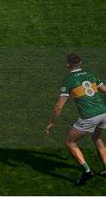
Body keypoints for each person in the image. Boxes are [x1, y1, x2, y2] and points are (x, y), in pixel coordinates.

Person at [45, 54, 106, 185]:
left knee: (70, 143)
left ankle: (87, 171)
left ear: (68, 65)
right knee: (97, 138)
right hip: (104, 113)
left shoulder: (69, 80)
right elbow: (105, 90)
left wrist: (51, 123)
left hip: (89, 117)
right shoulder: (90, 74)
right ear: (81, 62)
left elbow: (59, 106)